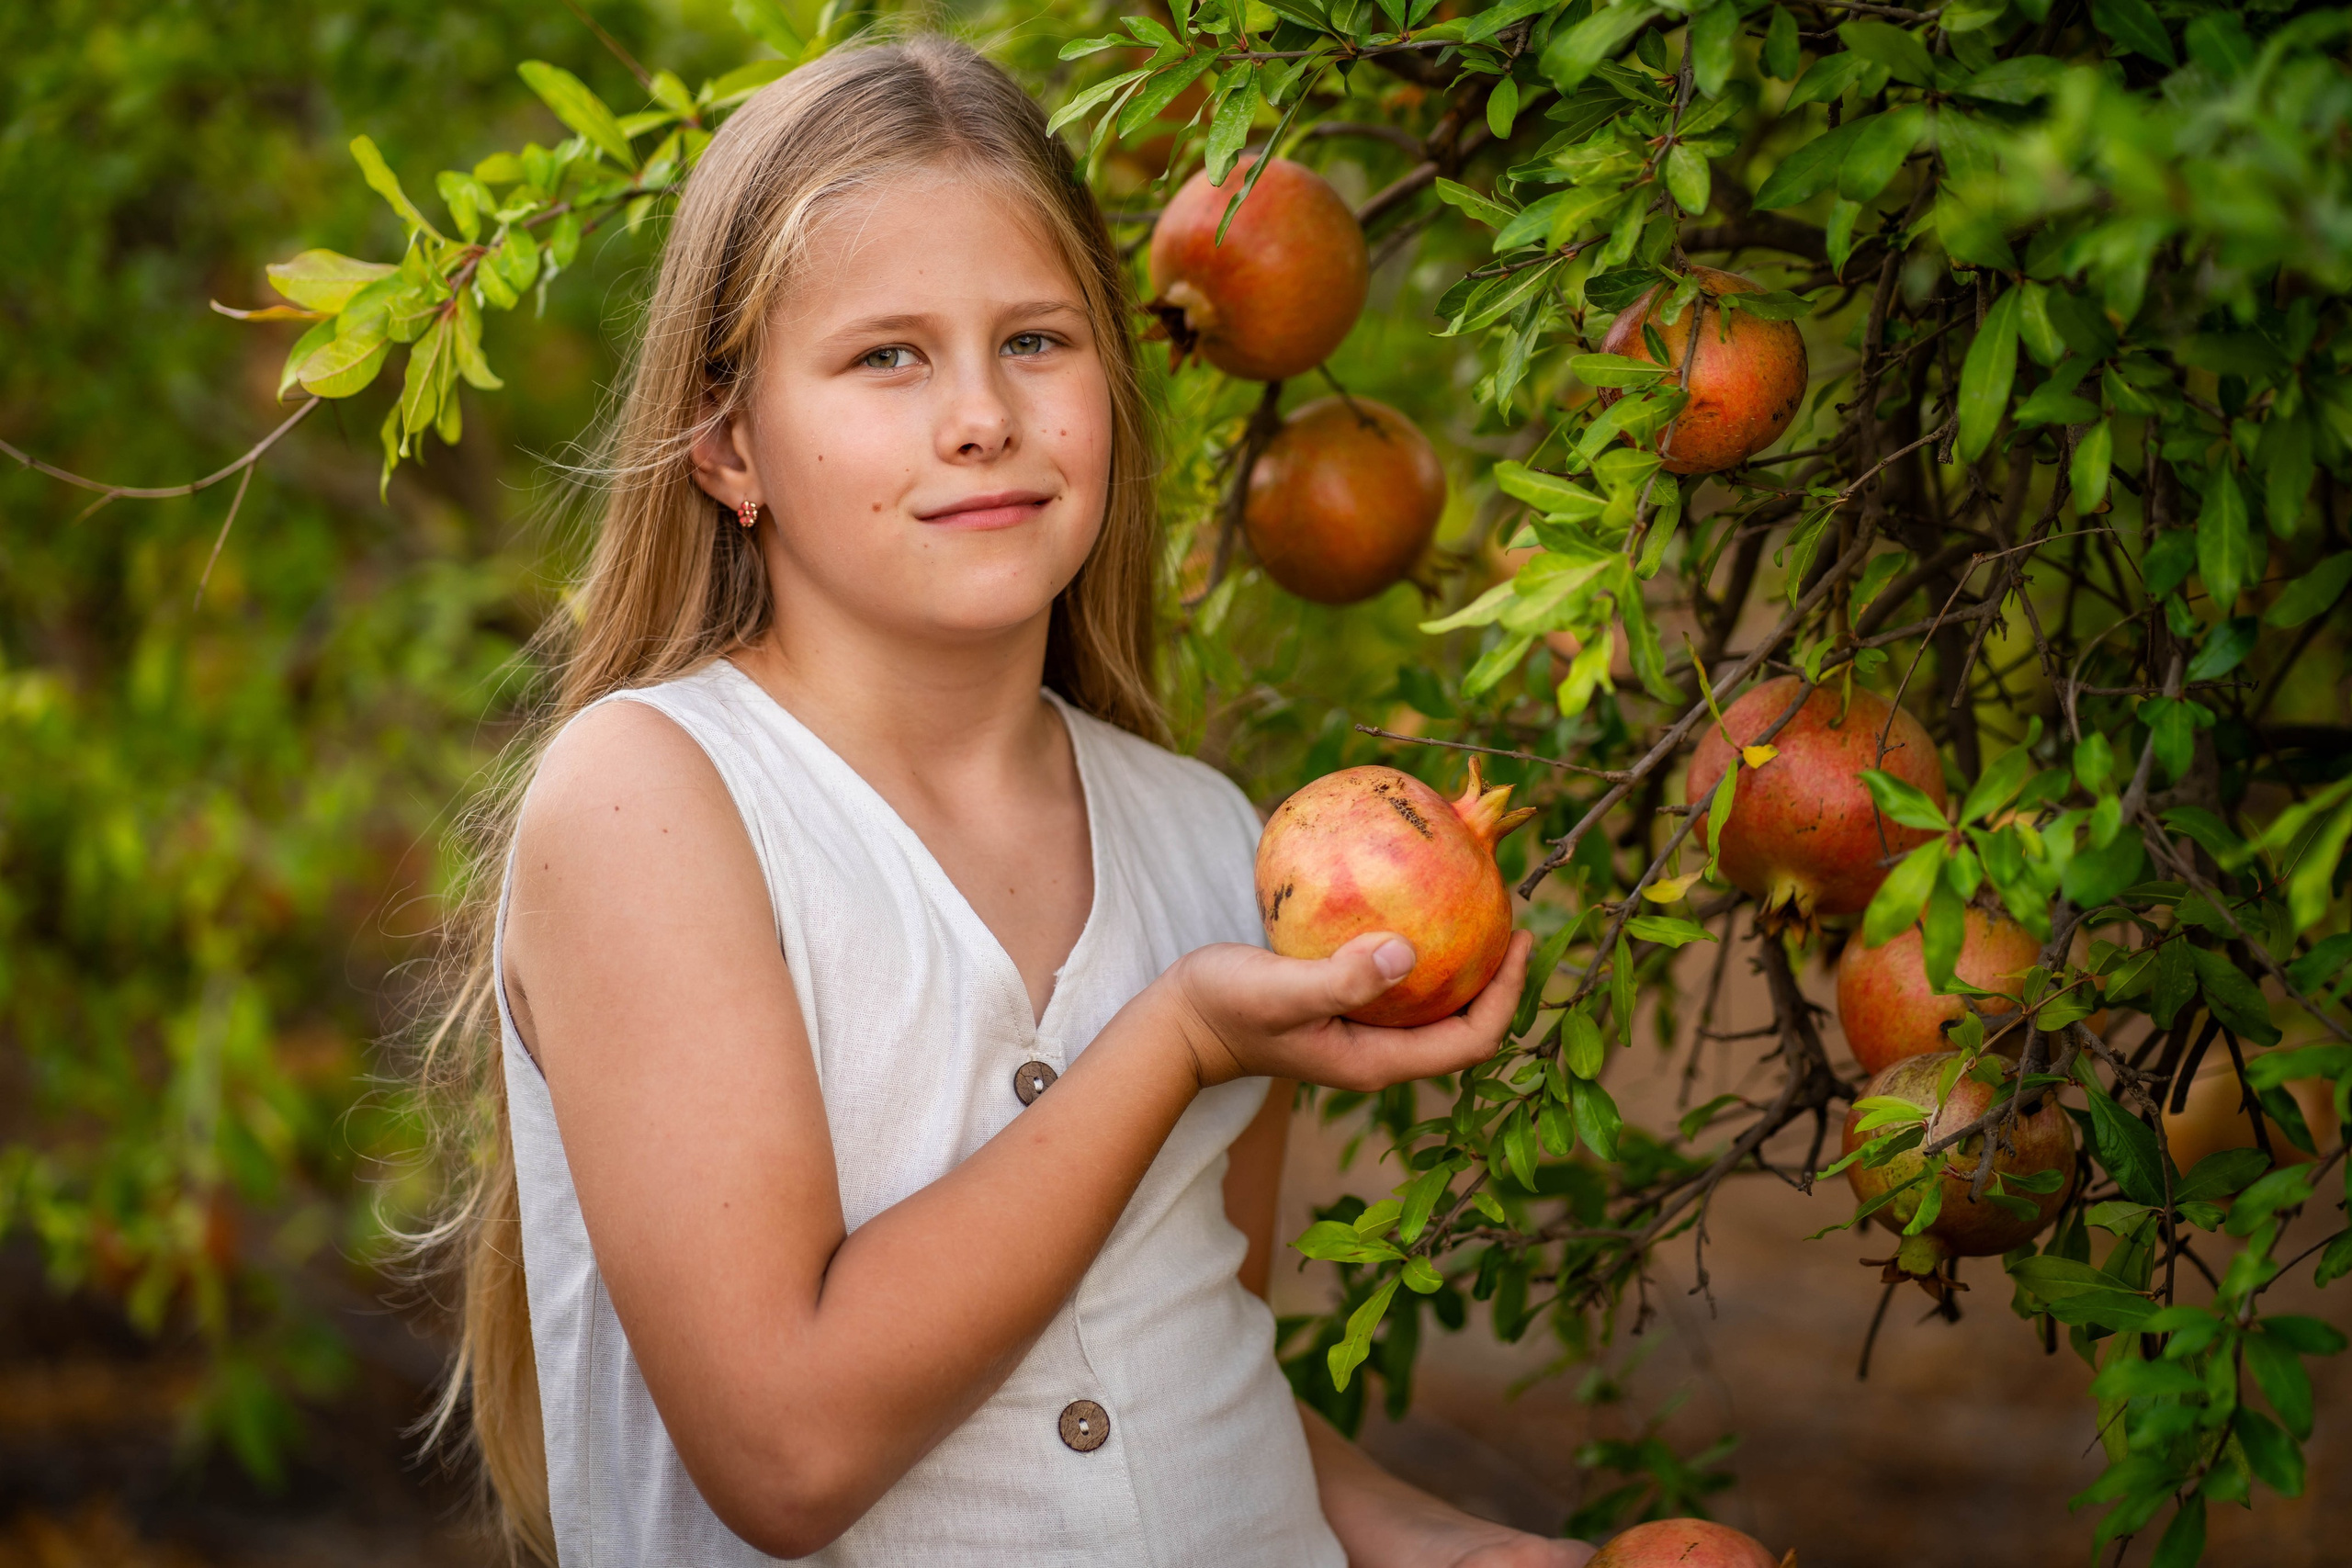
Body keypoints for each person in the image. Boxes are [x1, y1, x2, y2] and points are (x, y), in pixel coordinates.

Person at [419, 33, 1590, 1568]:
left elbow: (1177, 1334)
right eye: (886, 357)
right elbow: (787, 1452)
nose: (982, 414)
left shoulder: (1211, 835)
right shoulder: (654, 803)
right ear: (727, 441)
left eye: (1035, 340)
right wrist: (1174, 1044)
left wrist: (1434, 1541)